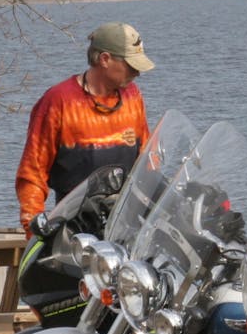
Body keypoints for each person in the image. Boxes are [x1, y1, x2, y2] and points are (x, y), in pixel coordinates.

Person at [15, 22, 153, 233]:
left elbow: (148, 160)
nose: (137, 73)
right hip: (74, 232)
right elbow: (33, 173)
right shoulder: (59, 101)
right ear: (105, 59)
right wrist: (34, 229)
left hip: (126, 226)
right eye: (131, 66)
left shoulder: (132, 96)